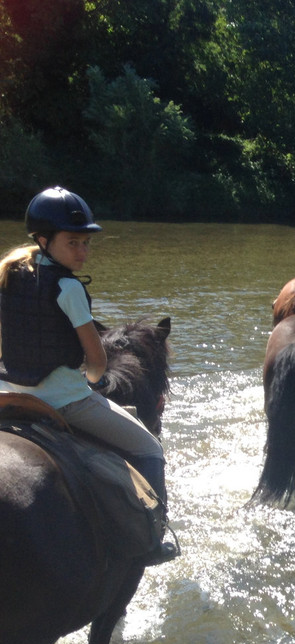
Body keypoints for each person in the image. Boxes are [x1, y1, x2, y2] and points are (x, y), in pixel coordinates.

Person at [0, 187, 178, 565]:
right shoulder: (68, 288)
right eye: (73, 242)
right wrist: (94, 380)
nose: (82, 251)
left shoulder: (10, 276)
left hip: (9, 391)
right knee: (150, 449)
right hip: (65, 400)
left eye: (85, 243)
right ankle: (154, 538)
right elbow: (96, 359)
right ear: (44, 240)